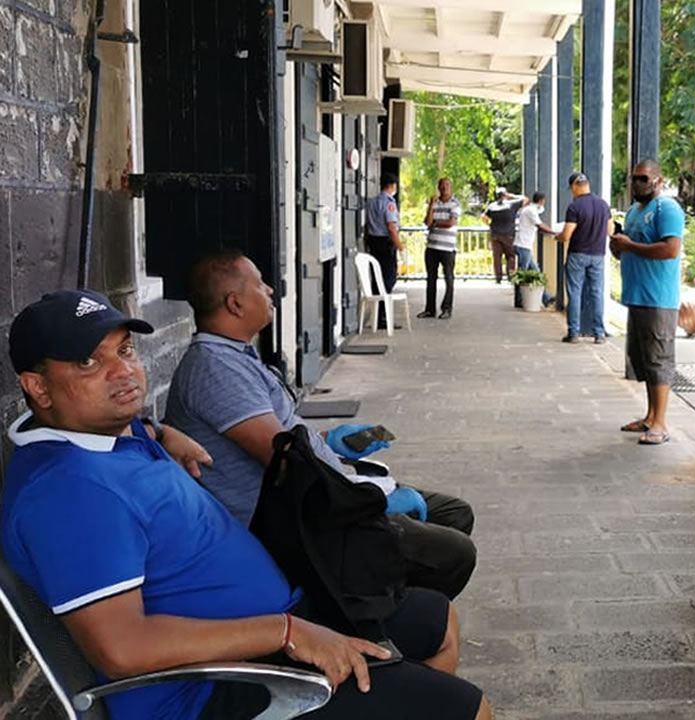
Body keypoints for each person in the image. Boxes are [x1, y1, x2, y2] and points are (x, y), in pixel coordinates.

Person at [1, 289, 491, 720]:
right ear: (37, 387)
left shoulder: (99, 430)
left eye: (125, 349)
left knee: (438, 621)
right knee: (467, 709)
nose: (123, 370)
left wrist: (162, 432)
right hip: (211, 688)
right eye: (88, 363)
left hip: (266, 626)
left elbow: (134, 430)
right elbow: (123, 649)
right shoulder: (68, 494)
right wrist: (287, 632)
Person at [165, 251, 477, 600]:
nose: (270, 290)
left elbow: (282, 436)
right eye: (260, 284)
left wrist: (328, 440)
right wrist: (369, 501)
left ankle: (387, 595)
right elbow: (288, 463)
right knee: (454, 554)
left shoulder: (235, 356)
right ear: (235, 303)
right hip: (301, 521)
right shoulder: (216, 368)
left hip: (325, 495)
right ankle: (372, 618)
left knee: (453, 513)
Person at [610, 160, 685, 446]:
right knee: (644, 359)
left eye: (644, 178)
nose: (638, 183)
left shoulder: (667, 209)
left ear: (658, 180)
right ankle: (650, 416)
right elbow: (627, 250)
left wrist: (629, 245)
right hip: (636, 295)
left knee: (659, 359)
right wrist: (618, 245)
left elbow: (670, 249)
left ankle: (661, 423)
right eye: (634, 178)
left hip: (658, 297)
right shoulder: (633, 211)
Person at [556, 172, 610, 344]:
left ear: (574, 186)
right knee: (597, 293)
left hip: (577, 254)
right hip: (598, 255)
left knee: (575, 293)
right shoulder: (603, 205)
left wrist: (558, 236)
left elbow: (566, 235)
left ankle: (573, 333)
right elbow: (610, 231)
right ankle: (599, 333)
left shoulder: (575, 207)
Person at [365, 173, 404, 329]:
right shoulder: (389, 203)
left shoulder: (372, 202)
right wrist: (400, 246)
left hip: (374, 243)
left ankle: (377, 316)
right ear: (393, 185)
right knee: (388, 280)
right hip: (385, 244)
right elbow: (391, 227)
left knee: (377, 280)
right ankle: (382, 317)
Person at [421, 177, 462, 319]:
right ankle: (429, 309)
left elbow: (450, 223)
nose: (444, 188)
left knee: (448, 278)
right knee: (430, 278)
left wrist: (435, 223)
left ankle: (447, 309)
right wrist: (431, 205)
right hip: (432, 246)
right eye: (442, 185)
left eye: (447, 185)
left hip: (447, 248)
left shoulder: (455, 204)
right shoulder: (435, 203)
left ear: (451, 187)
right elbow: (427, 222)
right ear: (438, 187)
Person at [514, 191, 555, 308]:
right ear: (542, 201)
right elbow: (540, 225)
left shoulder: (530, 209)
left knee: (536, 271)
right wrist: (554, 232)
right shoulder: (531, 211)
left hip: (525, 244)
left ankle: (546, 298)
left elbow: (540, 211)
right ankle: (518, 299)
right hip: (523, 245)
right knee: (522, 273)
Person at [481, 188, 527, 285]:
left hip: (495, 235)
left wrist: (490, 225)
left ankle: (498, 278)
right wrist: (511, 195)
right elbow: (525, 199)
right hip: (508, 235)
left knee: (497, 257)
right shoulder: (512, 204)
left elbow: (483, 217)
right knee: (510, 256)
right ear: (505, 195)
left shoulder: (492, 206)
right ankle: (510, 276)